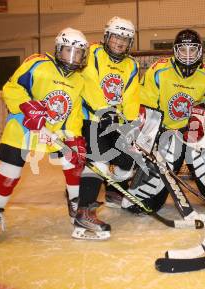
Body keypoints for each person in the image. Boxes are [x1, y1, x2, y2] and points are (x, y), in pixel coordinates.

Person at [122, 29, 205, 215]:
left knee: (204, 156)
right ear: (175, 50)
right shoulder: (159, 70)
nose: (188, 55)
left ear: (200, 51)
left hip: (193, 131)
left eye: (192, 50)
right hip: (165, 131)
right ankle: (142, 198)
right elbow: (146, 105)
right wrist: (149, 137)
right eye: (183, 50)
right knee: (164, 157)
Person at [0, 28, 88, 243]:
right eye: (68, 50)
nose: (72, 57)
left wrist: (74, 138)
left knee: (74, 162)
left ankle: (76, 207)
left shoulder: (79, 80)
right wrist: (27, 107)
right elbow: (11, 88)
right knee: (9, 171)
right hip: (22, 127)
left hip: (54, 131)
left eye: (77, 53)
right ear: (58, 49)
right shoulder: (37, 63)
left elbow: (74, 114)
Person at [75, 16, 140, 240]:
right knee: (100, 161)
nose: (120, 42)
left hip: (115, 122)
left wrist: (131, 126)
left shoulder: (131, 64)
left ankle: (113, 192)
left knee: (129, 160)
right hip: (91, 118)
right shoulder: (92, 52)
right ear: (106, 36)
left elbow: (131, 96)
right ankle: (84, 211)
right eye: (116, 37)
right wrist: (102, 110)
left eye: (125, 39)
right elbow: (89, 83)